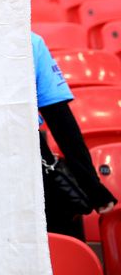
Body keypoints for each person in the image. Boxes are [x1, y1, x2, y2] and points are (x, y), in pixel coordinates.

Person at [32, 32, 116, 239]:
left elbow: (61, 120)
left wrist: (92, 186)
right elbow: (61, 122)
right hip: (26, 163)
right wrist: (92, 186)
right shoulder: (28, 41)